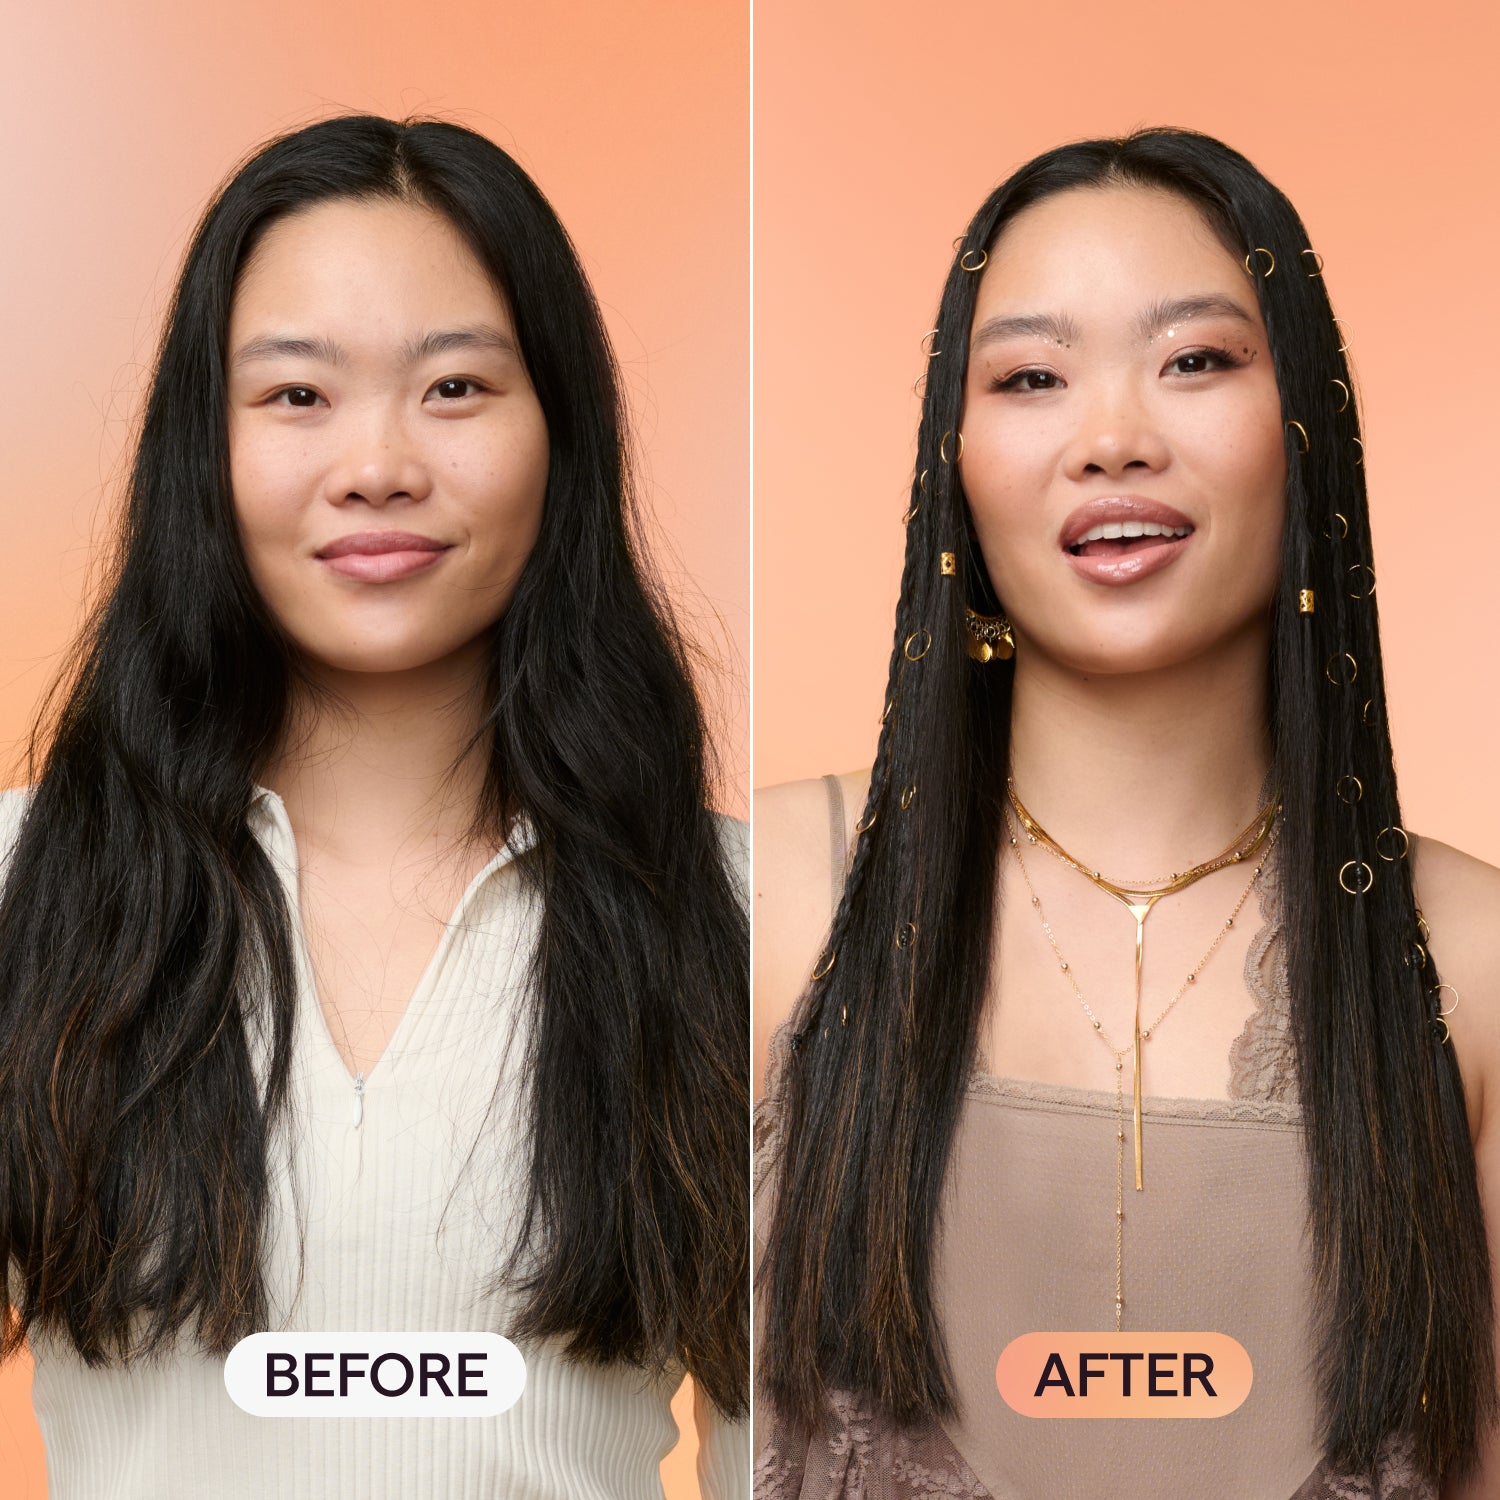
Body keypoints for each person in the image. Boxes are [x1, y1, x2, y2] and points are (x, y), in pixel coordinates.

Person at [0, 114, 748, 1499]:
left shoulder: (745, 916)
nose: (378, 465)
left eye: (455, 387)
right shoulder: (20, 883)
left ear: (562, 433)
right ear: (200, 446)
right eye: (297, 395)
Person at [753, 127, 1500, 1499]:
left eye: (1195, 361)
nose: (1112, 442)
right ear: (953, 461)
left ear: (1308, 427)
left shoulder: (1474, 959)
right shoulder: (771, 898)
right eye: (1031, 377)